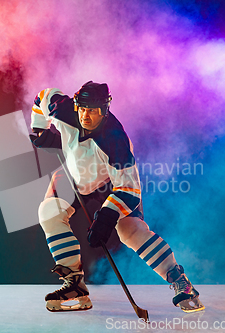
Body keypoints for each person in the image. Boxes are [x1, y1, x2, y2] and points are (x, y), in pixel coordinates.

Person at [29, 81, 204, 313]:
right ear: (76, 104)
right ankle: (74, 283)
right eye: (82, 108)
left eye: (93, 111)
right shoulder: (62, 108)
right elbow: (42, 96)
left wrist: (107, 216)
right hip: (74, 176)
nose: (86, 116)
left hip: (110, 184)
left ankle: (180, 281)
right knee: (49, 212)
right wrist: (40, 129)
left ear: (105, 110)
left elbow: (128, 189)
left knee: (130, 231)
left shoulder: (115, 140)